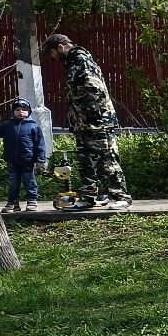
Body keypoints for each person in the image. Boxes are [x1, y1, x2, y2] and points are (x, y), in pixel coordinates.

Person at [42, 33, 130, 209]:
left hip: (97, 121)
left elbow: (93, 90)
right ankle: (88, 197)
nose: (52, 57)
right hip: (83, 123)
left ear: (60, 47)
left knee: (106, 158)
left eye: (52, 53)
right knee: (86, 161)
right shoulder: (72, 62)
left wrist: (89, 117)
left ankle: (121, 196)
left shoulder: (81, 60)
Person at [0, 97, 46, 212]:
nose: (20, 112)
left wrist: (41, 160)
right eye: (17, 110)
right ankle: (13, 203)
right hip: (12, 160)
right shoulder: (7, 126)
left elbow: (40, 145)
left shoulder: (33, 127)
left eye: (23, 109)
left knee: (29, 181)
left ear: (29, 111)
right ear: (13, 112)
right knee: (13, 182)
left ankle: (32, 201)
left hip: (28, 160)